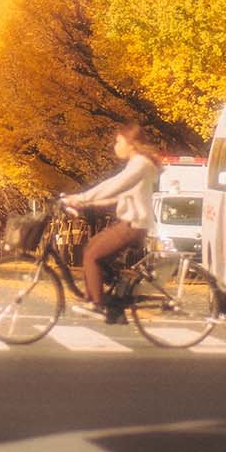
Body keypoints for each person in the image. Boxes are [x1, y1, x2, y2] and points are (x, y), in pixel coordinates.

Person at [63, 123, 160, 318]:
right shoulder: (137, 164)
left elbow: (115, 185)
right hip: (131, 223)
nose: (115, 146)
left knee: (93, 256)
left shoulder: (140, 164)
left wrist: (82, 197)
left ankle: (97, 304)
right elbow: (119, 195)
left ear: (131, 144)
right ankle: (113, 297)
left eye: (118, 142)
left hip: (134, 225)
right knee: (91, 247)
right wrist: (86, 203)